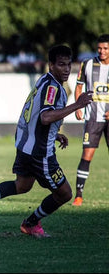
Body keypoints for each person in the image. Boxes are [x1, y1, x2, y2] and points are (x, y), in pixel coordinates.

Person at [0, 45, 93, 238]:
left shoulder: (44, 80)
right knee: (65, 194)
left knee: (22, 185)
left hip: (25, 145)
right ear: (51, 65)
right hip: (40, 152)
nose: (67, 69)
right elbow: (45, 117)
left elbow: (38, 115)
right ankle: (30, 223)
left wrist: (55, 133)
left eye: (69, 65)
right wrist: (77, 104)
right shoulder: (53, 87)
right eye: (61, 65)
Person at [72, 34, 109, 206]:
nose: (102, 51)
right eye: (99, 48)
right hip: (93, 118)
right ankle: (78, 195)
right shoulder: (87, 64)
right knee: (87, 154)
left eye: (106, 48)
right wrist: (78, 106)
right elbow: (78, 87)